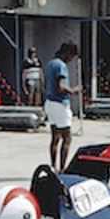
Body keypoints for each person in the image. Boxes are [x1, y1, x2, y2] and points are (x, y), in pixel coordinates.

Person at [45, 41, 82, 171]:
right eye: (71, 57)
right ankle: (62, 168)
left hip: (49, 103)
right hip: (60, 104)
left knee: (55, 137)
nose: (71, 60)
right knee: (67, 138)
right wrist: (74, 90)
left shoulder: (51, 63)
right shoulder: (61, 66)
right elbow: (61, 87)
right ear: (67, 53)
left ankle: (53, 166)